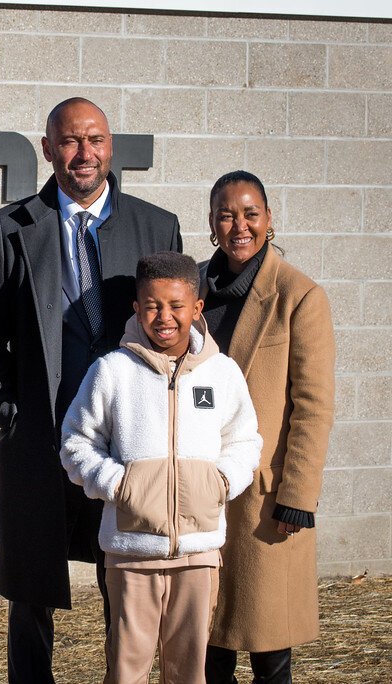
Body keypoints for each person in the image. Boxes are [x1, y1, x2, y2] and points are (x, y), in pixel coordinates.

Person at [0, 97, 181, 682]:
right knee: (31, 585)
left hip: (126, 439)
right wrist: (6, 408)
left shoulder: (155, 226)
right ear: (47, 149)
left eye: (95, 141)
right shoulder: (13, 226)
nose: (83, 154)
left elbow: (176, 331)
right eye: (69, 141)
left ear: (110, 147)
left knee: (125, 578)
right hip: (39, 434)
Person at [60, 251, 262, 684]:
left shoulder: (222, 374)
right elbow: (76, 443)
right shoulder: (112, 371)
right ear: (137, 308)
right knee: (126, 670)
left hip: (199, 552)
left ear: (197, 308)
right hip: (131, 553)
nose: (164, 317)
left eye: (176, 306)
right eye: (152, 306)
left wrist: (221, 481)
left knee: (188, 671)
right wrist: (120, 484)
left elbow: (245, 441)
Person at [201, 171, 336, 684]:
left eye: (250, 213)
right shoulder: (191, 289)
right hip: (200, 495)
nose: (239, 225)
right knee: (207, 648)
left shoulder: (298, 295)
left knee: (268, 653)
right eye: (226, 214)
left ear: (269, 220)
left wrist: (298, 495)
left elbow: (314, 405)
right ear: (212, 223)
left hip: (265, 502)